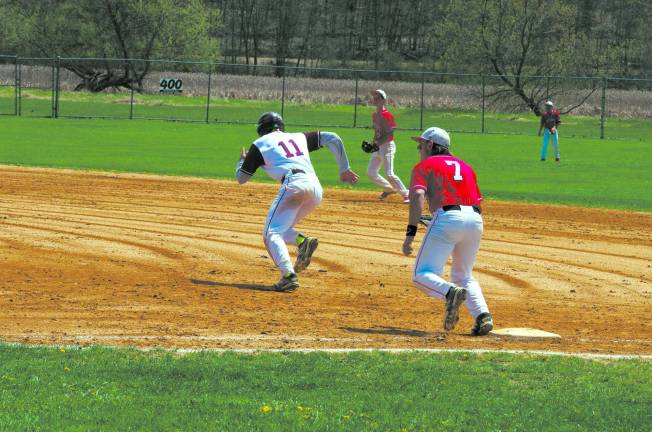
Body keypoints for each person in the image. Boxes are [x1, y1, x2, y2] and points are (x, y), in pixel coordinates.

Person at [236, 112, 359, 292]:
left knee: (271, 234)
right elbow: (333, 137)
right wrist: (344, 168)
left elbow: (241, 178)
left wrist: (242, 161)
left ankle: (288, 276)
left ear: (261, 129)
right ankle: (303, 241)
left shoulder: (260, 144)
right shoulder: (298, 137)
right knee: (281, 229)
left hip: (294, 184)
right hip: (315, 188)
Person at [402, 126, 493, 335]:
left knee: (421, 274)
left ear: (430, 145)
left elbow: (417, 196)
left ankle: (450, 292)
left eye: (421, 144)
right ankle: (483, 316)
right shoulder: (466, 167)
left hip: (448, 218)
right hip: (475, 220)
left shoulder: (424, 165)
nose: (419, 149)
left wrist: (411, 232)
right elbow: (478, 200)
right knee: (463, 275)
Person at [366, 89, 410, 203]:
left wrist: (378, 144)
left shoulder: (387, 115)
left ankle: (407, 194)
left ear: (383, 100)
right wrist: (373, 144)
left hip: (387, 147)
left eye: (377, 97)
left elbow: (390, 134)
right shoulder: (375, 115)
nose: (374, 100)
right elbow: (376, 132)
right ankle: (388, 188)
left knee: (389, 174)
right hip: (378, 146)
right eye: (374, 97)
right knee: (370, 173)